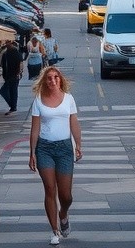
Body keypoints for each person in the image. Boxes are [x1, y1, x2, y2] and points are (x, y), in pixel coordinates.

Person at [29, 66, 83, 246]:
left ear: (60, 80)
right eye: (49, 78)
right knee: (50, 189)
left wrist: (78, 144)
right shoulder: (38, 100)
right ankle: (54, 230)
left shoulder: (69, 99)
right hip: (44, 149)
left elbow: (73, 122)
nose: (53, 81)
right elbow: (35, 128)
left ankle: (63, 214)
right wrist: (32, 153)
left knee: (66, 196)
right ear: (44, 81)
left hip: (64, 149)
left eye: (56, 77)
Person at [0, 39, 24, 114]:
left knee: (8, 91)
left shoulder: (14, 52)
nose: (7, 45)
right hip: (9, 75)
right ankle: (13, 106)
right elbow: (3, 65)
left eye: (8, 43)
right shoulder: (6, 53)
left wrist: (19, 73)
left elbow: (20, 63)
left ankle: (13, 106)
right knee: (11, 91)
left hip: (13, 75)